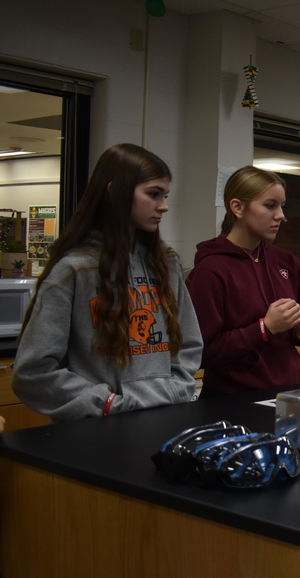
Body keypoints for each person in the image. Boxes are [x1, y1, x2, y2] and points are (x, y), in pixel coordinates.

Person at [13, 143, 203, 420]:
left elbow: (189, 344)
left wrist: (175, 391)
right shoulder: (74, 270)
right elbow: (32, 373)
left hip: (164, 419)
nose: (163, 206)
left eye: (165, 195)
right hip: (98, 432)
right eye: (153, 194)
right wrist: (106, 404)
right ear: (115, 192)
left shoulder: (166, 264)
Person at [186, 166, 300, 394]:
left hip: (287, 395)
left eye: (281, 206)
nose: (280, 215)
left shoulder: (285, 262)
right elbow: (202, 352)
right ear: (238, 207)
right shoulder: (210, 270)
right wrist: (264, 328)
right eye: (270, 206)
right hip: (232, 401)